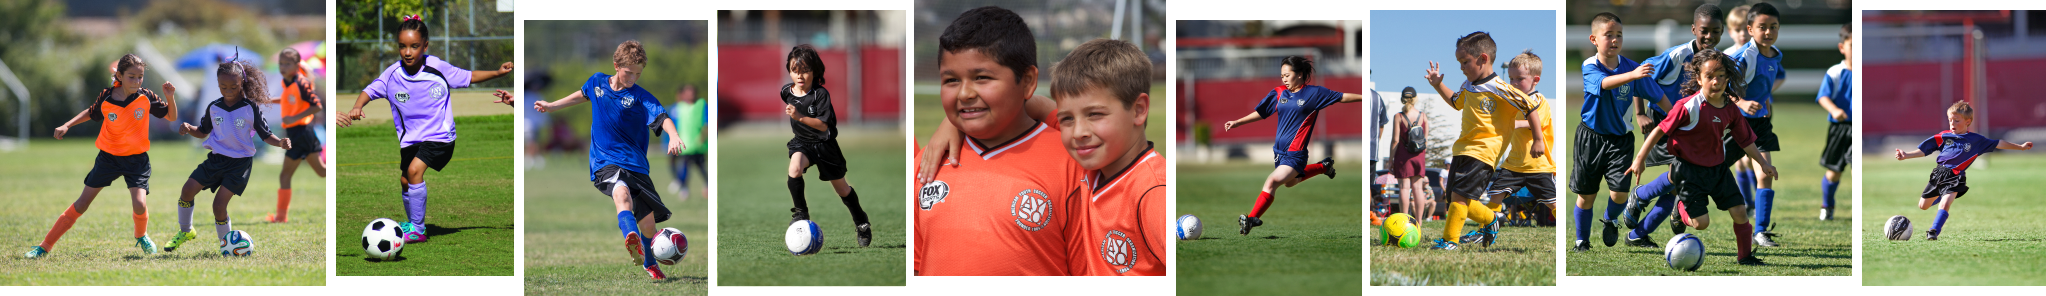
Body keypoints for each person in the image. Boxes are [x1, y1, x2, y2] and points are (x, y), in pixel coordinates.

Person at [911, 6, 1086, 276]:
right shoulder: (928, 163)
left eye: (982, 78)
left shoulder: (1074, 162)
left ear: (1027, 81)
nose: (965, 93)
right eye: (951, 80)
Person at [338, 15, 519, 244]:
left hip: (440, 137)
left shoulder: (437, 67)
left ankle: (419, 230)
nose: (408, 52)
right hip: (410, 139)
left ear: (425, 46)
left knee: (414, 171)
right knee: (405, 180)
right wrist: (357, 106)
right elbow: (369, 90)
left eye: (414, 46)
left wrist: (497, 73)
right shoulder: (392, 74)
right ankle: (412, 223)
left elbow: (468, 76)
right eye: (402, 46)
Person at [530, 40, 686, 280]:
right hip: (605, 162)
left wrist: (673, 135)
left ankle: (649, 261)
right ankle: (630, 237)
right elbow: (581, 95)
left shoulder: (640, 96)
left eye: (638, 73)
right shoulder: (597, 82)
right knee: (620, 194)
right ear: (616, 66)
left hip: (636, 165)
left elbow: (662, 116)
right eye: (628, 72)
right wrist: (551, 106)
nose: (633, 78)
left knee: (649, 226)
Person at [1626, 48, 1774, 266]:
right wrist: (1640, 158)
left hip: (1718, 170)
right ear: (1699, 78)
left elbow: (1745, 140)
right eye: (1710, 76)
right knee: (1701, 224)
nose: (1717, 81)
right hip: (1688, 171)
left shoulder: (1731, 109)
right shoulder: (1687, 106)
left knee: (1740, 212)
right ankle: (1679, 208)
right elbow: (1659, 130)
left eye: (1722, 76)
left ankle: (1745, 257)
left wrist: (1762, 163)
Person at [28, 54, 179, 258]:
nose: (136, 81)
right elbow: (91, 112)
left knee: (140, 204)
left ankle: (141, 236)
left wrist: (169, 96)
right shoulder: (107, 97)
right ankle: (44, 246)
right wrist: (66, 125)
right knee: (82, 204)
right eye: (131, 76)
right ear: (119, 75)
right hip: (108, 158)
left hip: (137, 160)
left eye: (140, 77)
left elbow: (171, 116)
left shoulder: (146, 96)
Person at [1220, 55, 1373, 236]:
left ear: (1299, 74)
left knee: (1271, 182)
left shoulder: (1314, 94)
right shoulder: (1278, 93)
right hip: (1279, 153)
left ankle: (1252, 219)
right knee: (1290, 183)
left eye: (1287, 75)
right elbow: (1261, 112)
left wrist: (1367, 97)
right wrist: (1238, 122)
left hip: (1296, 154)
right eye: (1282, 75)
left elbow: (1343, 97)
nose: (1283, 78)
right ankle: (1323, 167)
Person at [1422, 31, 1541, 250]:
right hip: (1462, 149)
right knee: (1458, 201)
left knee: (1459, 199)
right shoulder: (1468, 85)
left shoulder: (1501, 87)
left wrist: (1538, 139)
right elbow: (1456, 102)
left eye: (1465, 61)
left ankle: (1450, 241)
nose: (1461, 67)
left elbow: (1530, 106)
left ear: (1483, 59)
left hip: (1485, 151)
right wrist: (1438, 85)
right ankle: (1492, 219)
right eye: (1459, 62)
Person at [1621, 4, 1727, 248]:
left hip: (1690, 125)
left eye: (1716, 31)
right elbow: (1641, 73)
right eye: (1704, 30)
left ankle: (1638, 235)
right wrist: (1639, 113)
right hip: (1664, 121)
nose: (1709, 36)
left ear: (1722, 32)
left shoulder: (1717, 60)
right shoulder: (1677, 56)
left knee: (1675, 185)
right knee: (1682, 174)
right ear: (1693, 29)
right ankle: (1642, 195)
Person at [165, 60, 291, 255]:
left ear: (242, 83)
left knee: (219, 206)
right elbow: (203, 132)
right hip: (216, 159)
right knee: (187, 190)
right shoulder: (214, 107)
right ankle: (186, 231)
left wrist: (280, 142)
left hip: (239, 165)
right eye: (223, 87)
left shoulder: (250, 108)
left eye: (234, 86)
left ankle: (226, 245)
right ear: (218, 85)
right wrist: (190, 129)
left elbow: (266, 135)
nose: (229, 90)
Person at [1893, 101, 2033, 241]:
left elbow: (1999, 143)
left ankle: (1933, 231)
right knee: (1923, 206)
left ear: (1968, 122)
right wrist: (1906, 155)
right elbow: (1925, 150)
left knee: (1945, 203)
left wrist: (2020, 147)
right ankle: (1943, 194)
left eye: (1956, 120)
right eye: (1950, 120)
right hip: (1938, 174)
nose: (1952, 124)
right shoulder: (1944, 136)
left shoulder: (1976, 140)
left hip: (1956, 176)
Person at [780, 45, 873, 247]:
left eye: (805, 70)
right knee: (794, 169)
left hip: (825, 146)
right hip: (802, 143)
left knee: (842, 190)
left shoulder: (820, 95)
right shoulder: (786, 91)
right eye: (795, 70)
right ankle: (801, 213)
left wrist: (799, 117)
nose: (800, 75)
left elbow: (823, 126)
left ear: (814, 71)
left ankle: (861, 222)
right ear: (789, 70)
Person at [1470, 50, 1559, 244]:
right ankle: (1484, 230)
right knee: (1495, 194)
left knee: (1553, 204)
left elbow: (1532, 122)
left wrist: (1512, 125)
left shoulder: (1538, 101)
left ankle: (1573, 227)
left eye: (1519, 79)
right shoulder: (1513, 100)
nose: (1514, 83)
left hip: (1538, 165)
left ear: (1535, 80)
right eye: (1511, 79)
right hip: (1514, 164)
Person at [1727, 3, 1787, 247]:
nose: (1768, 32)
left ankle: (1760, 230)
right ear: (1750, 29)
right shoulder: (1744, 57)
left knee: (1765, 172)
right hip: (1734, 122)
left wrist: (1764, 103)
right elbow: (1723, 88)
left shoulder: (1775, 54)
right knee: (1709, 170)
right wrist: (1741, 103)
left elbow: (1765, 85)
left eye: (1773, 27)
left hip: (1759, 124)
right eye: (1762, 27)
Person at [267, 48, 334, 224]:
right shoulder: (286, 82)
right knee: (321, 171)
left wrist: (294, 118)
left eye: (287, 63)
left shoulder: (301, 83)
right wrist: (269, 100)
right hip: (301, 133)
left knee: (285, 175)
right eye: (281, 63)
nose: (283, 66)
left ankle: (281, 217)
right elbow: (289, 100)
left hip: (300, 132)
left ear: (297, 66)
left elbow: (317, 105)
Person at [1815, 22, 1861, 221]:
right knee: (1834, 171)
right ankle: (1827, 206)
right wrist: (1834, 110)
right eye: (1854, 46)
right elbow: (1822, 97)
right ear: (1842, 48)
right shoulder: (1835, 72)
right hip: (1841, 128)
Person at [668, 84, 716, 200]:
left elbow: (706, 123)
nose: (690, 95)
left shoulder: (701, 105)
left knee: (703, 167)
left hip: (699, 144)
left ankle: (710, 186)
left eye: (692, 92)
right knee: (684, 167)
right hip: (685, 145)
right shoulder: (679, 107)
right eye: (687, 93)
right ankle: (684, 188)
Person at [1389, 87, 1431, 220]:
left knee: (1404, 189)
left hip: (1403, 155)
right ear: (1415, 99)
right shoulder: (1423, 116)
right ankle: (1418, 224)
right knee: (1418, 189)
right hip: (1419, 156)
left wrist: (1391, 159)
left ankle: (1404, 221)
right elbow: (1426, 139)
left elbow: (1395, 140)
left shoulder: (1399, 116)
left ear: (1402, 99)